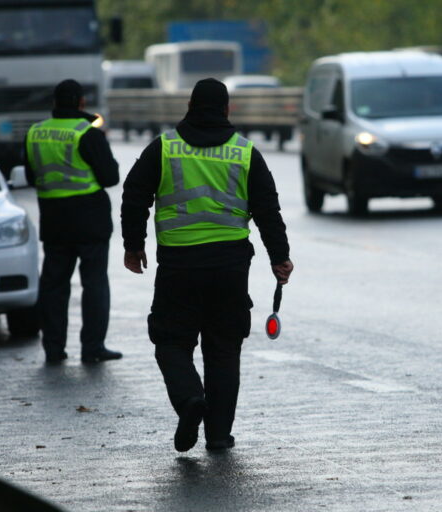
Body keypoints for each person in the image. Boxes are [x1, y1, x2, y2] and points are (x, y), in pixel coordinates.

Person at [121, 78, 293, 452]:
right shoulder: (245, 153)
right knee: (224, 349)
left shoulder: (164, 148)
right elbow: (267, 210)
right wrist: (279, 257)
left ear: (189, 106)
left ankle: (189, 400)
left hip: (178, 267)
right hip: (230, 268)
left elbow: (134, 194)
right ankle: (217, 434)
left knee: (170, 341)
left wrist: (133, 246)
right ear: (227, 110)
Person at [25, 79, 122, 364]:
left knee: (54, 285)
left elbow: (32, 178)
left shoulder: (35, 133)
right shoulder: (87, 133)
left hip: (54, 221)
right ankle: (92, 348)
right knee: (94, 285)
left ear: (54, 103)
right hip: (90, 221)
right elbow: (110, 178)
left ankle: (53, 349)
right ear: (81, 104)